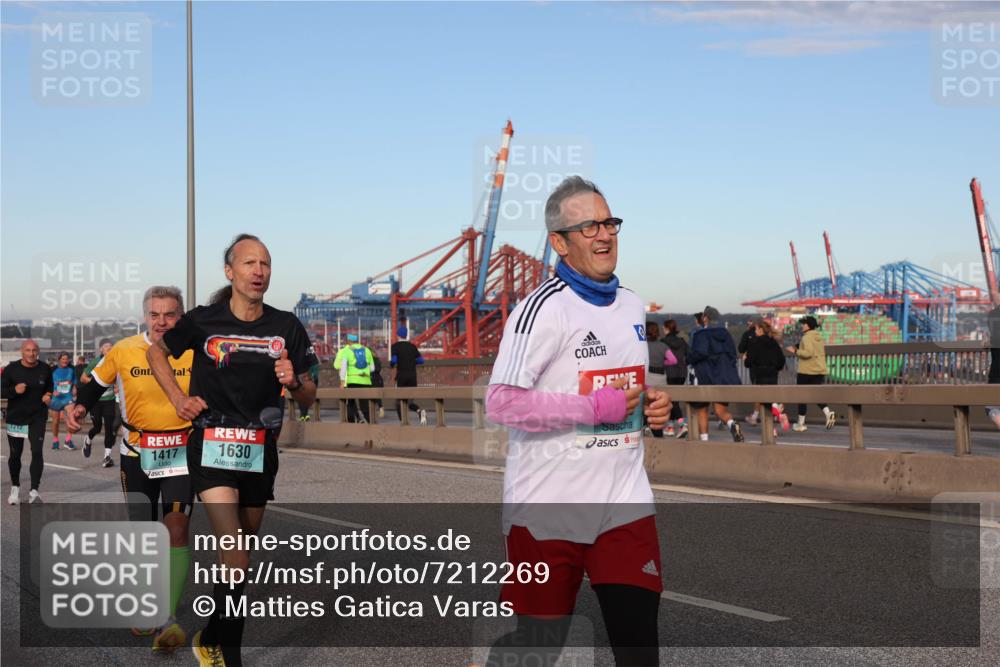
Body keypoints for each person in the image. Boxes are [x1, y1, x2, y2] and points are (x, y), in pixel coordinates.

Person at [485, 176, 670, 667]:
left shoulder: (632, 304)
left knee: (638, 650)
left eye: (609, 222)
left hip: (623, 502)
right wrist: (593, 409)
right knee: (534, 651)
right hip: (547, 508)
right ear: (560, 243)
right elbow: (501, 403)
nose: (604, 234)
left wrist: (651, 408)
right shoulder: (540, 310)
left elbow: (624, 389)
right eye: (588, 226)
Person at [147, 234, 316, 667]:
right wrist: (178, 400)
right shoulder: (203, 321)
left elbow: (310, 397)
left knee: (238, 558)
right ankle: (229, 655)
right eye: (249, 263)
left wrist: (294, 381)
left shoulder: (286, 327)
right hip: (211, 448)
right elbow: (156, 352)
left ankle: (212, 634)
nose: (259, 271)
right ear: (230, 271)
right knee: (235, 545)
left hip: (260, 450)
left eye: (265, 263)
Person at [65, 286, 195, 652]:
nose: (162, 322)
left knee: (177, 529)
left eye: (170, 315)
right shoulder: (124, 350)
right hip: (137, 451)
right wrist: (79, 407)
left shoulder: (195, 350)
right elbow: (96, 385)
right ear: (145, 317)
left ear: (181, 317)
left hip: (182, 450)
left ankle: (165, 615)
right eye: (155, 315)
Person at [2, 340, 52, 504]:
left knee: (37, 452)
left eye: (34, 350)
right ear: (22, 352)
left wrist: (48, 395)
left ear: (38, 351)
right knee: (15, 454)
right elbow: (1, 390)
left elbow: (49, 386)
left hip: (37, 417)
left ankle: (34, 491)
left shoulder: (45, 368)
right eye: (28, 350)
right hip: (17, 417)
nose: (31, 354)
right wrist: (14, 391)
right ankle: (15, 487)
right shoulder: (11, 369)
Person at [688, 306, 744, 442]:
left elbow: (699, 353)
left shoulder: (701, 335)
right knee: (720, 410)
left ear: (705, 318)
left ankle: (704, 440)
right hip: (723, 377)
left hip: (704, 377)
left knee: (702, 410)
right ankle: (732, 424)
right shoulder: (725, 334)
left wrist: (688, 358)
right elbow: (732, 355)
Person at [786, 315, 836, 431]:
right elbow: (811, 349)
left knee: (801, 396)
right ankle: (828, 413)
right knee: (815, 395)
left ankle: (801, 424)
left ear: (808, 325)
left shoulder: (806, 338)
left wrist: (795, 351)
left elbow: (808, 353)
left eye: (803, 324)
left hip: (806, 371)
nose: (802, 326)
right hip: (819, 370)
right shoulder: (818, 337)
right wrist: (796, 346)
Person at [745, 320, 790, 435]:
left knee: (765, 404)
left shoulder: (755, 343)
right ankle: (773, 428)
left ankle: (779, 417)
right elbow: (781, 360)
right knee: (769, 401)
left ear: (760, 330)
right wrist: (776, 368)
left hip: (761, 375)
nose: (755, 331)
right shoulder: (773, 342)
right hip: (773, 375)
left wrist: (746, 360)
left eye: (755, 329)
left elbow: (749, 362)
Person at [80, 338, 118, 465]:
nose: (109, 348)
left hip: (109, 400)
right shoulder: (96, 362)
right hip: (96, 400)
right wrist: (97, 384)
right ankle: (88, 438)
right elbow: (83, 378)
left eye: (111, 346)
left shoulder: (116, 362)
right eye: (106, 346)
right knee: (97, 427)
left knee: (109, 427)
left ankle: (107, 456)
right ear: (101, 349)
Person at [334, 333, 374, 423]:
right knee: (365, 405)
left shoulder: (345, 351)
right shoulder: (367, 350)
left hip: (352, 380)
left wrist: (342, 382)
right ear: (357, 340)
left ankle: (353, 423)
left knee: (351, 402)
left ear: (348, 341)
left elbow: (341, 367)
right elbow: (372, 368)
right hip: (366, 381)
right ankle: (370, 423)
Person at [391, 325, 427, 425]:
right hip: (412, 376)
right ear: (406, 335)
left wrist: (392, 365)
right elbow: (421, 360)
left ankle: (403, 422)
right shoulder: (412, 346)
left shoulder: (395, 346)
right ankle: (419, 410)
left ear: (398, 335)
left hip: (401, 376)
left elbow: (394, 360)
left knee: (399, 401)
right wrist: (412, 362)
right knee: (410, 401)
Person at [662, 319, 689, 438]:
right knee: (674, 400)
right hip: (682, 373)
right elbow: (690, 355)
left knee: (672, 401)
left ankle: (682, 424)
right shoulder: (682, 341)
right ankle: (670, 427)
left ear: (667, 328)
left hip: (669, 373)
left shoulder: (663, 342)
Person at [645, 321, 668, 438]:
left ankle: (645, 427)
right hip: (661, 379)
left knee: (646, 406)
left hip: (647, 378)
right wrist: (662, 362)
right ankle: (659, 435)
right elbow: (673, 360)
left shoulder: (642, 345)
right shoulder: (663, 346)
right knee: (657, 408)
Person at [48, 352, 76, 450]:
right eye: (63, 359)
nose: (65, 361)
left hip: (68, 397)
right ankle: (55, 440)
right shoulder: (53, 370)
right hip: (56, 399)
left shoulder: (72, 369)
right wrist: (52, 391)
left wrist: (74, 388)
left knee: (72, 418)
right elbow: (47, 384)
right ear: (59, 360)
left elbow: (74, 381)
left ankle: (68, 440)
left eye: (67, 359)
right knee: (55, 421)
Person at [298, 352, 321, 422]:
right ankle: (305, 414)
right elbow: (318, 366)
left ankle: (302, 414)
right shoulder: (314, 357)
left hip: (302, 379)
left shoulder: (301, 356)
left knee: (301, 396)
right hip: (312, 380)